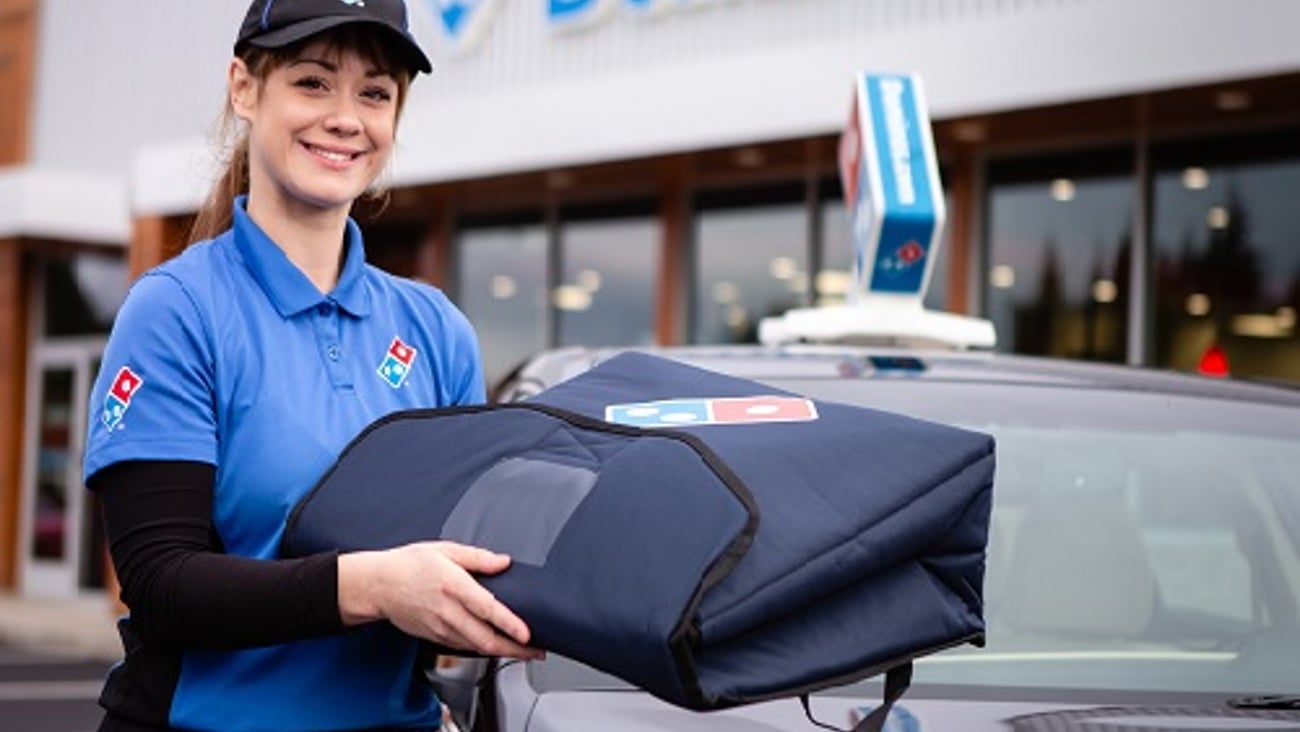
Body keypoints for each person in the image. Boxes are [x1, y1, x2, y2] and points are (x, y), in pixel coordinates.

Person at [82, 2, 540, 730]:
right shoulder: (177, 310)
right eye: (313, 82)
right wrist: (374, 586)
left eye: (375, 92)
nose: (346, 118)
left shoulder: (436, 330)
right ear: (244, 87)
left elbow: (476, 556)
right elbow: (162, 585)